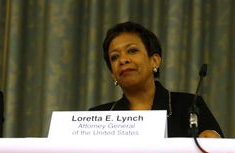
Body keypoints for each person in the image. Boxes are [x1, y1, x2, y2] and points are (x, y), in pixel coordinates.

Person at [89, 21, 223, 138]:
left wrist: (213, 140)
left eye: (132, 51)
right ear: (112, 73)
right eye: (114, 57)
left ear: (154, 61)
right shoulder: (97, 117)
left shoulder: (190, 106)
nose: (123, 60)